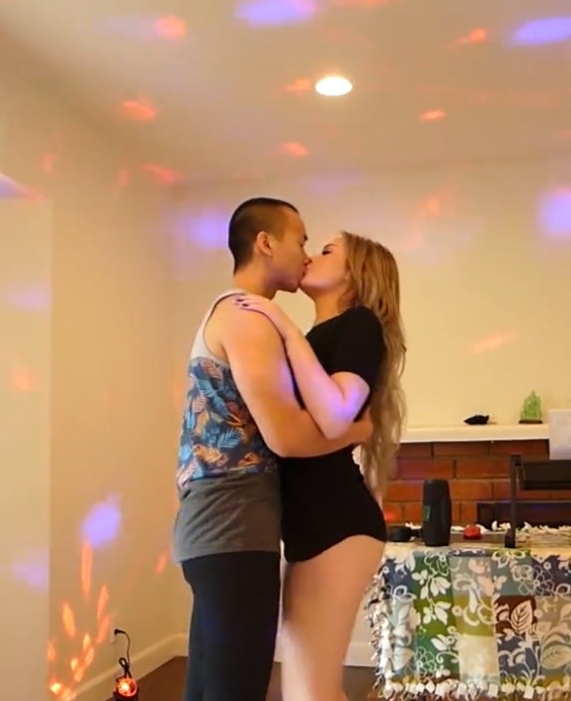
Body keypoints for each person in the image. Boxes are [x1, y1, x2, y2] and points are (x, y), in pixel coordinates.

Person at [172, 198, 372, 701]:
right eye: (301, 240)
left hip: (220, 524)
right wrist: (356, 431)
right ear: (265, 243)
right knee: (234, 687)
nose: (306, 253)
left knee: (211, 687)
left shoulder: (239, 314)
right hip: (233, 522)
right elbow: (285, 436)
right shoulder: (247, 318)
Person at [234, 230, 406, 701]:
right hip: (314, 527)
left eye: (328, 251)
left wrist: (284, 328)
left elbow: (337, 413)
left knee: (311, 689)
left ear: (354, 273)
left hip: (338, 527)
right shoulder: (317, 337)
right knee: (305, 688)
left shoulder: (359, 324)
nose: (311, 255)